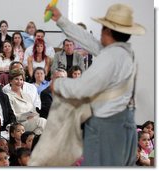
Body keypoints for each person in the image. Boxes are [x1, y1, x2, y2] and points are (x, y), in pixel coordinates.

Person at [46, 3, 145, 166]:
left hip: (107, 128)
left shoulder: (110, 58)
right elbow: (90, 42)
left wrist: (58, 84)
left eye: (102, 28)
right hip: (126, 123)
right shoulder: (125, 53)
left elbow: (81, 88)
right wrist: (61, 20)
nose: (99, 33)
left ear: (107, 31)